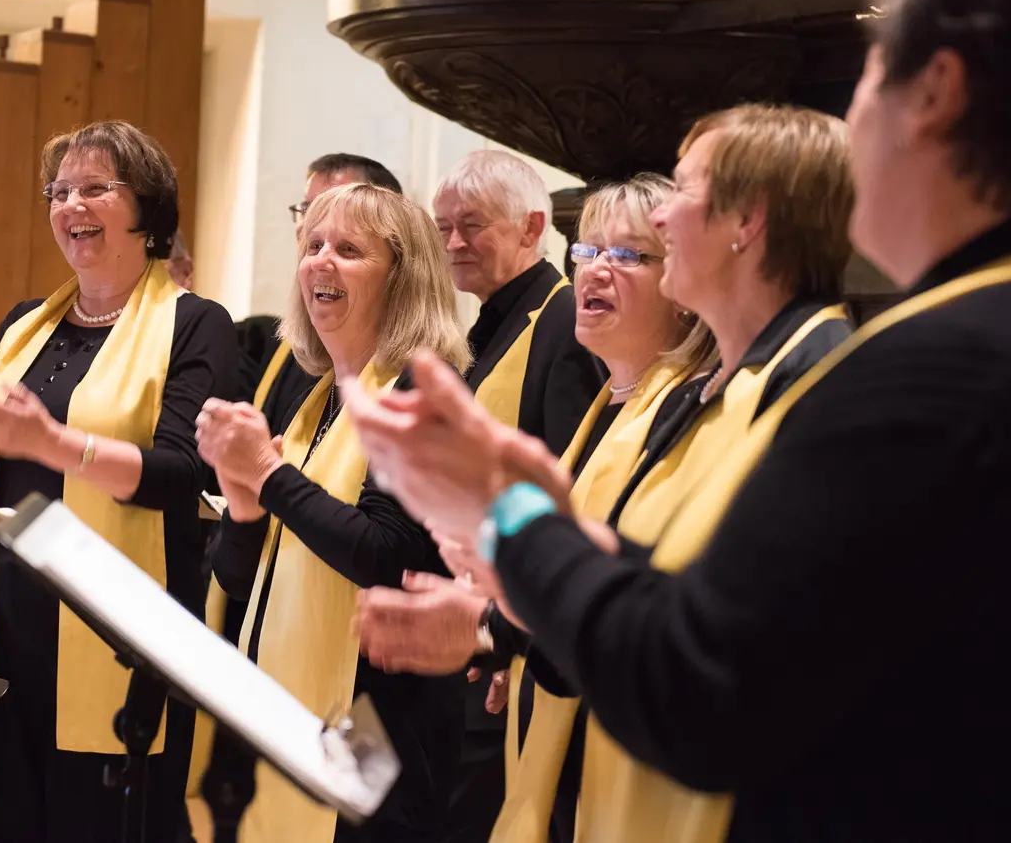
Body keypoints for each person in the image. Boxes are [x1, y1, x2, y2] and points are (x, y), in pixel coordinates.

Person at [342, 0, 1011, 838]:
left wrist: (512, 516)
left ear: (935, 91)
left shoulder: (944, 370)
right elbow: (788, 622)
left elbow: (703, 685)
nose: (849, 124)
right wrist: (522, 604)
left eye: (870, 73)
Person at [361, 105, 856, 842]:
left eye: (681, 195)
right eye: (590, 249)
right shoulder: (714, 385)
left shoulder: (816, 384)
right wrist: (502, 618)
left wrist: (508, 548)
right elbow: (642, 578)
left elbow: (714, 635)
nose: (664, 224)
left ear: (746, 222)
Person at [0, 120, 237, 843]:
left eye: (95, 188)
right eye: (59, 192)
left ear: (147, 209)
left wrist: (55, 443)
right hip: (16, 633)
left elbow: (183, 473)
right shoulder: (22, 328)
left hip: (124, 636)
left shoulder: (196, 325)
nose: (71, 206)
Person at [196, 182, 471, 843]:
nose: (320, 261)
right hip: (288, 714)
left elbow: (385, 553)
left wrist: (267, 474)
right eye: (313, 245)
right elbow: (240, 583)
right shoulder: (317, 398)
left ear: (401, 279)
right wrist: (242, 507)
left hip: (381, 727)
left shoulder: (422, 391)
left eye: (349, 249)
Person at [429, 149, 606, 842]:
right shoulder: (490, 319)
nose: (452, 244)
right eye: (443, 227)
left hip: (510, 620)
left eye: (470, 226)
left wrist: (514, 631)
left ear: (533, 226)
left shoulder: (559, 324)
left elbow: (565, 485)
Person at [234, 153, 406, 407]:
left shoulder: (408, 381)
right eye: (307, 210)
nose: (310, 224)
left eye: (333, 208)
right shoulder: (295, 343)